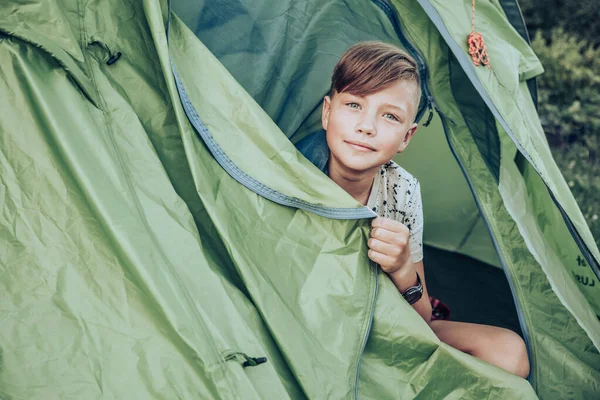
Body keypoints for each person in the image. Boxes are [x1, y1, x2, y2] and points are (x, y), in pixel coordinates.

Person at [318, 41, 530, 378]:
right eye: (354, 104)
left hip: (381, 323)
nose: (367, 126)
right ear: (328, 112)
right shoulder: (296, 174)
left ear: (406, 137)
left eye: (389, 116)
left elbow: (422, 317)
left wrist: (403, 267)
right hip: (313, 321)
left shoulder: (402, 191)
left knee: (509, 353)